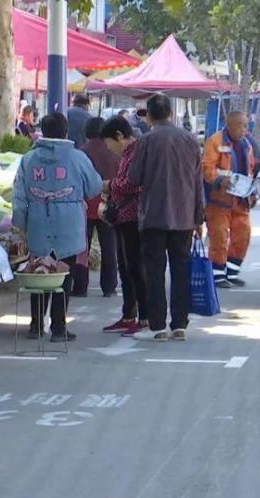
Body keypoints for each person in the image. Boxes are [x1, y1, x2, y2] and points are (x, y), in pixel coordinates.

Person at [13, 112, 103, 342]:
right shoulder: (77, 158)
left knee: (39, 273)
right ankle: (59, 328)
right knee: (64, 275)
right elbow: (94, 187)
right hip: (70, 223)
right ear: (66, 132)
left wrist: (19, 226)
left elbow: (19, 196)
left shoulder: (28, 159)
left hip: (37, 221)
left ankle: (35, 326)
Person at [128, 94, 206, 341]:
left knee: (154, 271)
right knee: (181, 270)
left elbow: (134, 177)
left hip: (153, 215)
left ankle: (158, 326)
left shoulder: (146, 141)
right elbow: (197, 183)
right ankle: (180, 324)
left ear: (149, 116)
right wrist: (199, 218)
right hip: (183, 217)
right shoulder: (191, 141)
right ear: (171, 113)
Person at [98, 116, 149, 337]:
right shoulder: (129, 154)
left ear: (120, 136)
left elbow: (134, 183)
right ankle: (129, 314)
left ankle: (144, 316)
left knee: (136, 268)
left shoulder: (136, 153)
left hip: (133, 217)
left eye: (109, 143)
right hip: (123, 217)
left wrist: (110, 185)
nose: (109, 149)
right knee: (126, 268)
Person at [203, 110, 257, 288]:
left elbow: (251, 170)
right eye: (240, 125)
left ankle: (232, 273)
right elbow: (206, 168)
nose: (244, 129)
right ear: (229, 125)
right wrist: (219, 180)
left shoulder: (247, 144)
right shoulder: (215, 142)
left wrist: (253, 192)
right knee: (218, 237)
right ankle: (218, 276)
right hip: (219, 199)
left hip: (241, 199)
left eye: (246, 125)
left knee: (243, 235)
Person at [74, 117, 120, 298]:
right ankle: (109, 287)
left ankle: (80, 287)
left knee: (81, 248)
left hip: (83, 207)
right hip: (108, 206)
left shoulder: (80, 153)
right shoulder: (114, 154)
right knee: (109, 247)